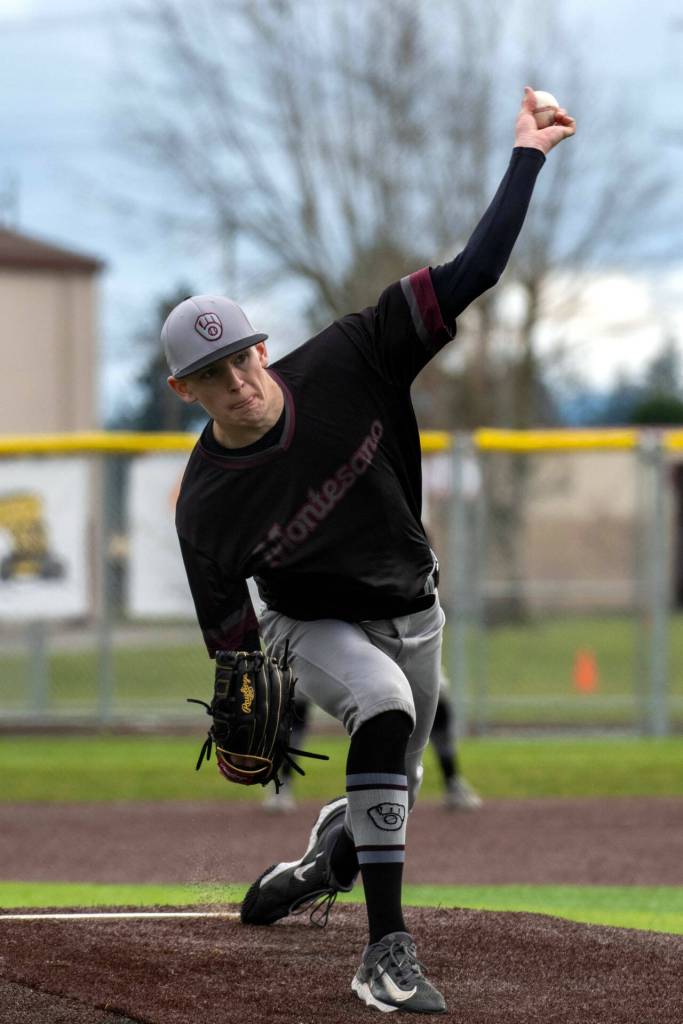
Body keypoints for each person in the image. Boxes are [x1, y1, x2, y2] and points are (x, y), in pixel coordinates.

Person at [164, 88, 575, 1015]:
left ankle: (324, 861)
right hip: (310, 624)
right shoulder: (208, 506)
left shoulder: (355, 353)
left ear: (262, 348)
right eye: (211, 375)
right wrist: (243, 725)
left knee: (392, 791)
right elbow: (232, 643)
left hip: (414, 606)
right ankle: (384, 952)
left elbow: (475, 268)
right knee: (382, 709)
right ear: (184, 391)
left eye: (243, 356)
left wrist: (526, 155)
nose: (238, 381)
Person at [262, 676, 483, 813]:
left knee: (437, 691)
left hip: (384, 636)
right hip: (332, 639)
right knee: (296, 693)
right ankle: (282, 783)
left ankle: (452, 780)